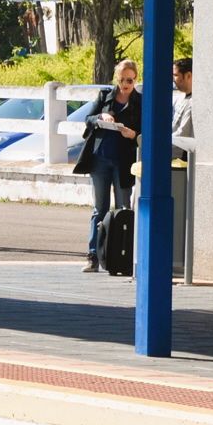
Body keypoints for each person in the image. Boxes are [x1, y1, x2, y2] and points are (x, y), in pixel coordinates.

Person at [73, 59, 142, 272]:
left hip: (123, 161)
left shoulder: (140, 102)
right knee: (99, 209)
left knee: (123, 208)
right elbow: (88, 118)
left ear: (135, 79)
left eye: (129, 80)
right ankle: (93, 256)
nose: (125, 84)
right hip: (100, 159)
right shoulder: (105, 96)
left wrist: (133, 134)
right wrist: (100, 116)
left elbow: (143, 129)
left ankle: (122, 254)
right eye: (122, 80)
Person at [171, 58, 194, 149]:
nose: (173, 79)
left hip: (182, 158)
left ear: (188, 75)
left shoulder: (193, 102)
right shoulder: (181, 98)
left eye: (176, 75)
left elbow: (183, 133)